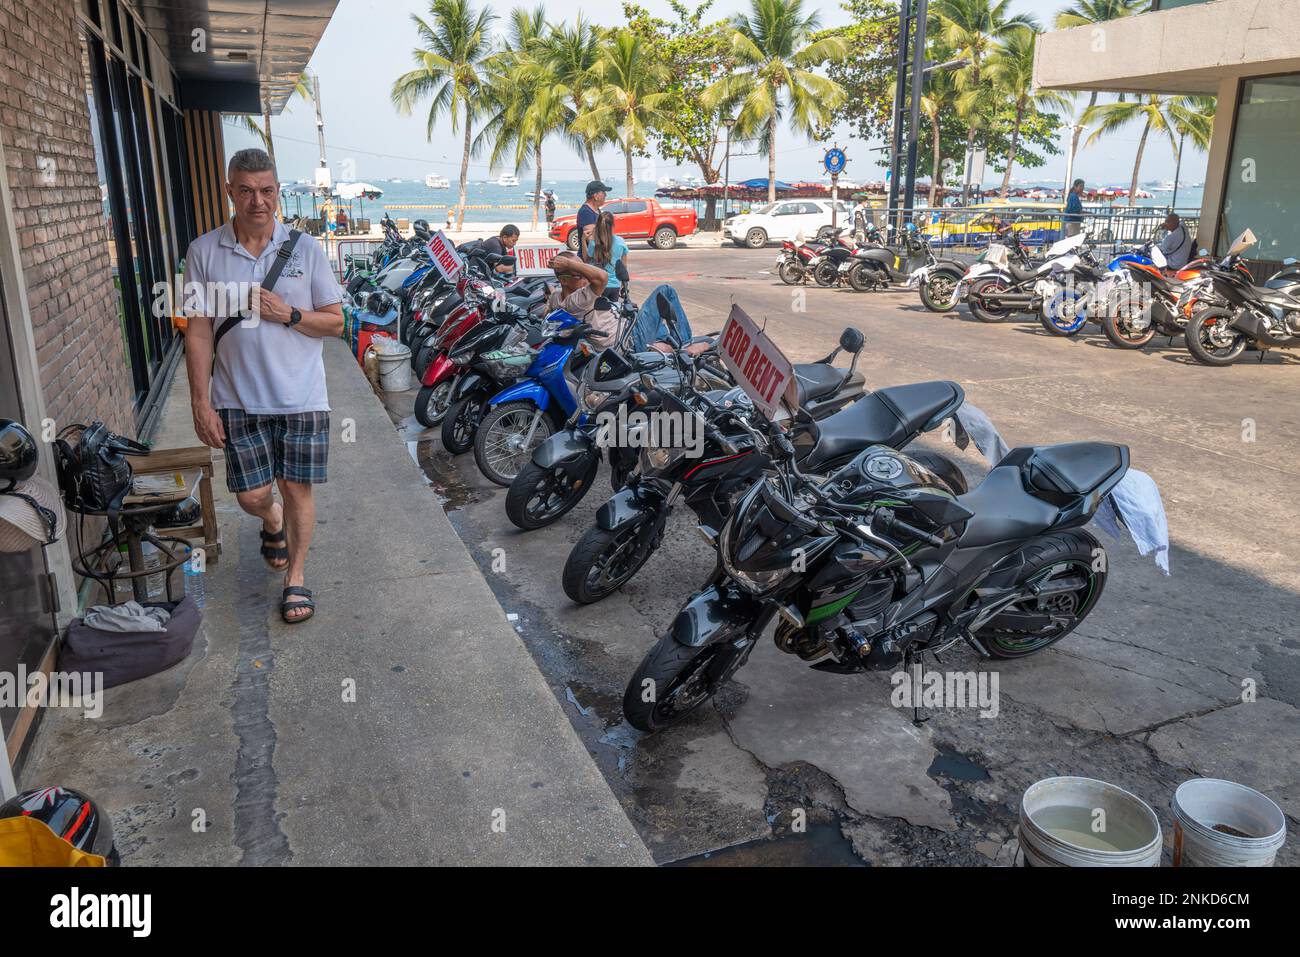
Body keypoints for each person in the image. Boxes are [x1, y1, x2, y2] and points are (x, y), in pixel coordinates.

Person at [183, 148, 344, 625]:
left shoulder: (306, 249)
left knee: (298, 489)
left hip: (302, 397)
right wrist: (200, 400)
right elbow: (198, 329)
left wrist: (289, 314)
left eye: (268, 191)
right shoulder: (203, 251)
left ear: (278, 192)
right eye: (247, 191)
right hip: (236, 398)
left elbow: (335, 323)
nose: (258, 201)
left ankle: (296, 577)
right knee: (252, 496)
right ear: (230, 191)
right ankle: (270, 521)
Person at [547, 251, 620, 348]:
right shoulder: (578, 301)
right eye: (580, 276)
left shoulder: (555, 298)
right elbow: (602, 278)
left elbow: (549, 305)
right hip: (621, 339)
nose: (588, 280)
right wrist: (568, 264)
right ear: (564, 280)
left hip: (605, 343)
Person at [587, 211, 629, 293]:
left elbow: (587, 263)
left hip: (599, 286)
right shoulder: (621, 242)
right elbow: (624, 267)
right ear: (613, 225)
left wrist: (583, 240)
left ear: (597, 225)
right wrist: (625, 286)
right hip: (615, 286)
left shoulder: (593, 243)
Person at [577, 180, 610, 262]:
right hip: (590, 260)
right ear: (595, 196)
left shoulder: (596, 210)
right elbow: (591, 240)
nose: (605, 195)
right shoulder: (586, 212)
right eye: (603, 192)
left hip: (598, 258)